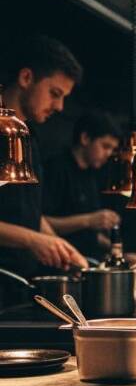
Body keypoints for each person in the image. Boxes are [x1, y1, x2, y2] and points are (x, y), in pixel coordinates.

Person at [0, 35, 88, 285]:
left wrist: (60, 246)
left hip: (20, 283)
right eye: (54, 93)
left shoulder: (30, 136)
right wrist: (33, 240)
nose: (59, 106)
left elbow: (26, 211)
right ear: (26, 78)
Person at [42, 111, 121, 261]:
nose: (109, 154)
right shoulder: (56, 168)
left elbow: (88, 237)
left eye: (112, 149)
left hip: (89, 259)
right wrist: (90, 220)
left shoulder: (91, 174)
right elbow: (39, 220)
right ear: (85, 138)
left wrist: (117, 249)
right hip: (61, 262)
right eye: (105, 146)